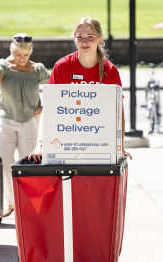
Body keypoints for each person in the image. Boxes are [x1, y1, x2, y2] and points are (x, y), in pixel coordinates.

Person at [29, 17, 132, 162]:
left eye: (90, 37)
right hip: (67, 141)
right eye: (80, 37)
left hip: (98, 142)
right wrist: (40, 144)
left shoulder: (110, 71)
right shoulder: (62, 66)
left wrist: (119, 146)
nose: (84, 42)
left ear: (100, 39)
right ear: (74, 39)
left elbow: (118, 112)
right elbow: (49, 110)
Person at [0, 33, 50, 218]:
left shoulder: (37, 69)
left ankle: (29, 204)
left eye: (25, 55)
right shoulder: (3, 65)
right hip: (6, 121)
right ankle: (10, 203)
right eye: (17, 54)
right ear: (11, 50)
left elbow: (54, 87)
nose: (21, 58)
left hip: (30, 122)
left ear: (30, 52)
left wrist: (44, 107)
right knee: (6, 164)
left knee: (28, 164)